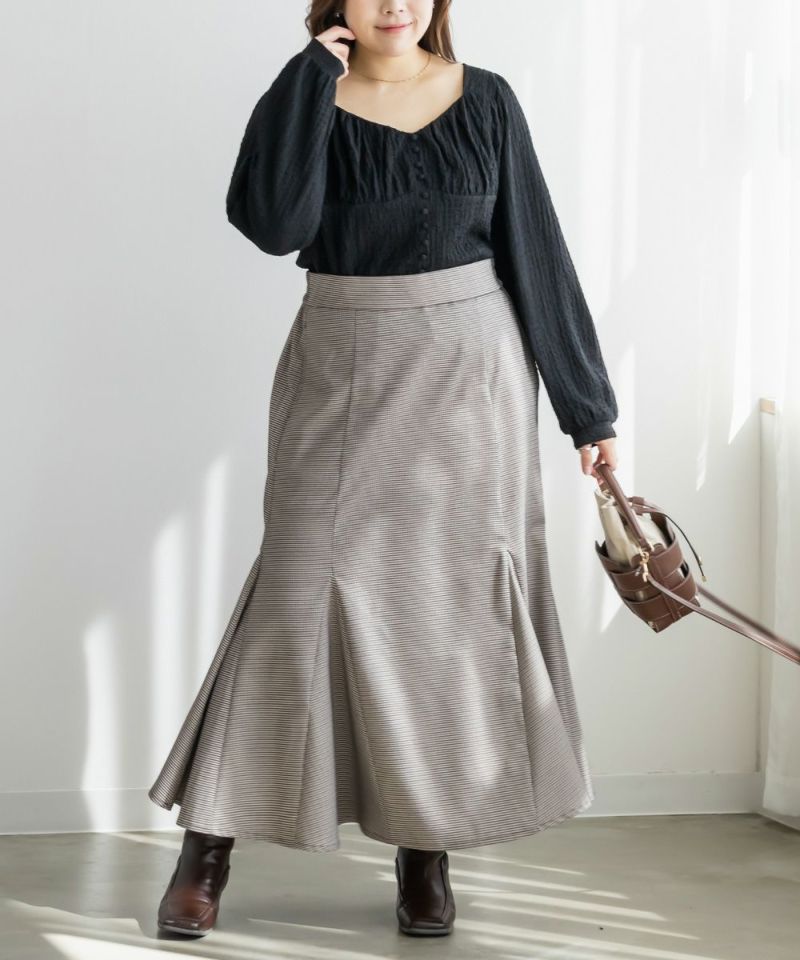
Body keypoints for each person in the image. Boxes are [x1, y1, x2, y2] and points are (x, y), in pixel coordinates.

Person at [149, 0, 620, 940]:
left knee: (445, 616)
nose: (394, 4)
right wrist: (309, 80)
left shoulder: (487, 99)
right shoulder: (307, 95)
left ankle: (425, 849)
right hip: (344, 365)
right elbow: (272, 225)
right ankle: (207, 847)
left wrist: (588, 407)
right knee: (295, 596)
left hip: (471, 378)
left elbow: (536, 247)